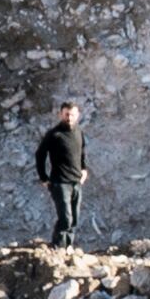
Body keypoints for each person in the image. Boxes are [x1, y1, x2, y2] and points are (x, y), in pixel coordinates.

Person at [34, 102, 87, 241]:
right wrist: (44, 178)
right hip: (60, 183)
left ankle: (68, 247)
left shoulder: (79, 132)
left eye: (72, 115)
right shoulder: (54, 135)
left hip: (76, 182)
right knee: (66, 219)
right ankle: (58, 248)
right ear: (60, 115)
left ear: (78, 115)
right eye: (66, 114)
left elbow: (82, 153)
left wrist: (84, 170)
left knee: (74, 218)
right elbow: (40, 154)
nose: (69, 118)